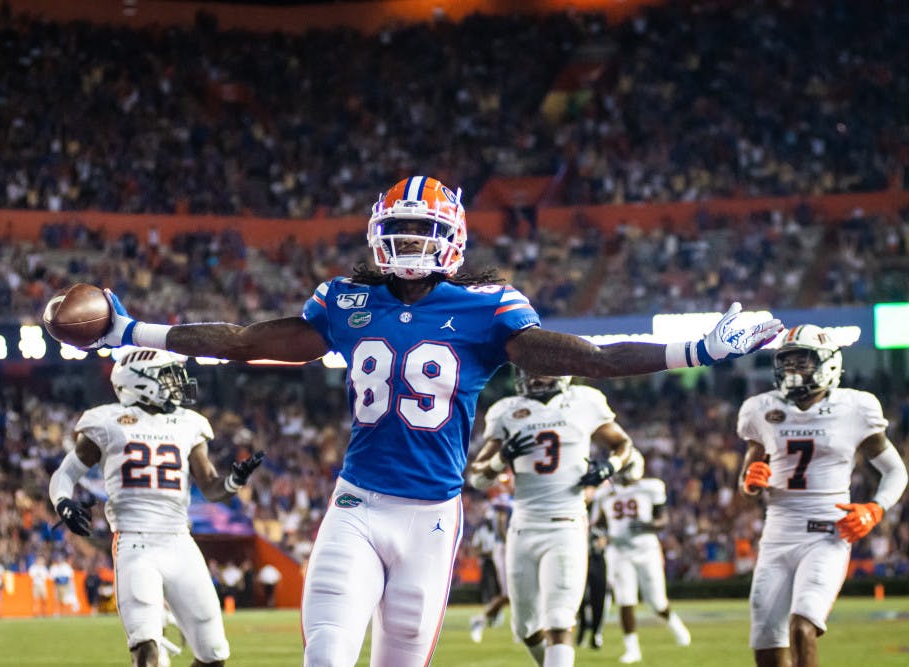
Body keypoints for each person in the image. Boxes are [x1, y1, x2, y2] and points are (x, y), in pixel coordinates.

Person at [75, 175, 782, 667]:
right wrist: (132, 331)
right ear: (378, 235)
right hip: (356, 507)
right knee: (326, 656)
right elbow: (243, 341)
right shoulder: (345, 300)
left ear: (452, 238)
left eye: (425, 230)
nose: (412, 242)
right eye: (401, 229)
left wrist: (697, 349)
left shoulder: (488, 307)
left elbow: (591, 358)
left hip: (431, 519)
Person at [48, 347, 265, 667]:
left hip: (180, 542)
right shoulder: (107, 421)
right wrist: (63, 503)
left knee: (214, 655)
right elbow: (65, 474)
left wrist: (233, 481)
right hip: (135, 543)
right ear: (140, 380)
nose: (176, 383)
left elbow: (210, 485)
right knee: (146, 649)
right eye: (167, 376)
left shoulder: (188, 423)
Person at [737, 324, 908, 667]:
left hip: (827, 534)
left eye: (801, 361)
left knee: (802, 628)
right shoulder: (761, 409)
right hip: (777, 536)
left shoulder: (854, 408)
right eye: (786, 361)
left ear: (828, 363)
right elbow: (746, 488)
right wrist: (749, 483)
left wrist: (875, 509)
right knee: (767, 647)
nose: (791, 369)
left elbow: (895, 471)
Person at [467, 370, 636, 667]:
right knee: (525, 628)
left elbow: (623, 445)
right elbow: (478, 478)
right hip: (522, 528)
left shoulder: (584, 401)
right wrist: (500, 458)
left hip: (565, 524)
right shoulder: (507, 410)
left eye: (541, 371)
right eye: (528, 371)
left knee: (559, 618)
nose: (534, 378)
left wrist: (609, 466)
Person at [591, 450, 691, 663]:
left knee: (657, 602)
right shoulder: (604, 493)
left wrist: (649, 525)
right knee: (625, 599)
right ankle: (632, 649)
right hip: (619, 552)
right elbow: (598, 524)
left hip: (647, 550)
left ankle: (676, 626)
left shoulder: (650, 487)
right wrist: (599, 536)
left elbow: (663, 519)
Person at [468, 493, 510, 643]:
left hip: (510, 549)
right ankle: (480, 619)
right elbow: (501, 527)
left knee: (509, 594)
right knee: (507, 593)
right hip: (501, 552)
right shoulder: (504, 501)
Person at [576, 520, 608, 650]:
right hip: (579, 557)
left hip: (597, 559)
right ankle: (582, 628)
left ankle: (596, 633)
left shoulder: (600, 512)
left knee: (598, 599)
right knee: (579, 598)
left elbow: (604, 540)